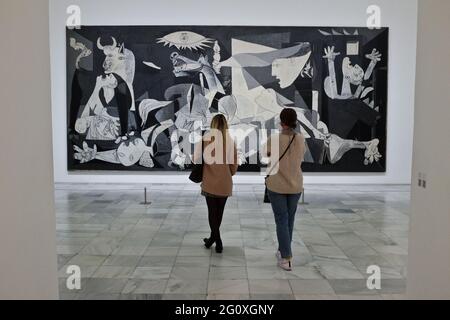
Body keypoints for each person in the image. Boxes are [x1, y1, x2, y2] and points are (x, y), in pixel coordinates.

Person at [264, 108, 306, 271]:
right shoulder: (301, 139)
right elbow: (301, 155)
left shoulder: (274, 139)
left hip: (277, 185)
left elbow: (265, 154)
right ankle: (283, 250)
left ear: (281, 122)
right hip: (295, 185)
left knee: (281, 220)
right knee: (289, 220)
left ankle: (286, 257)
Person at [198, 114, 238, 253]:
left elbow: (195, 159)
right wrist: (228, 174)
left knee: (212, 212)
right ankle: (212, 239)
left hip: (209, 182)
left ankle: (217, 239)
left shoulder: (205, 139)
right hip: (225, 183)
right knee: (219, 213)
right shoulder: (230, 141)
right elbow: (234, 165)